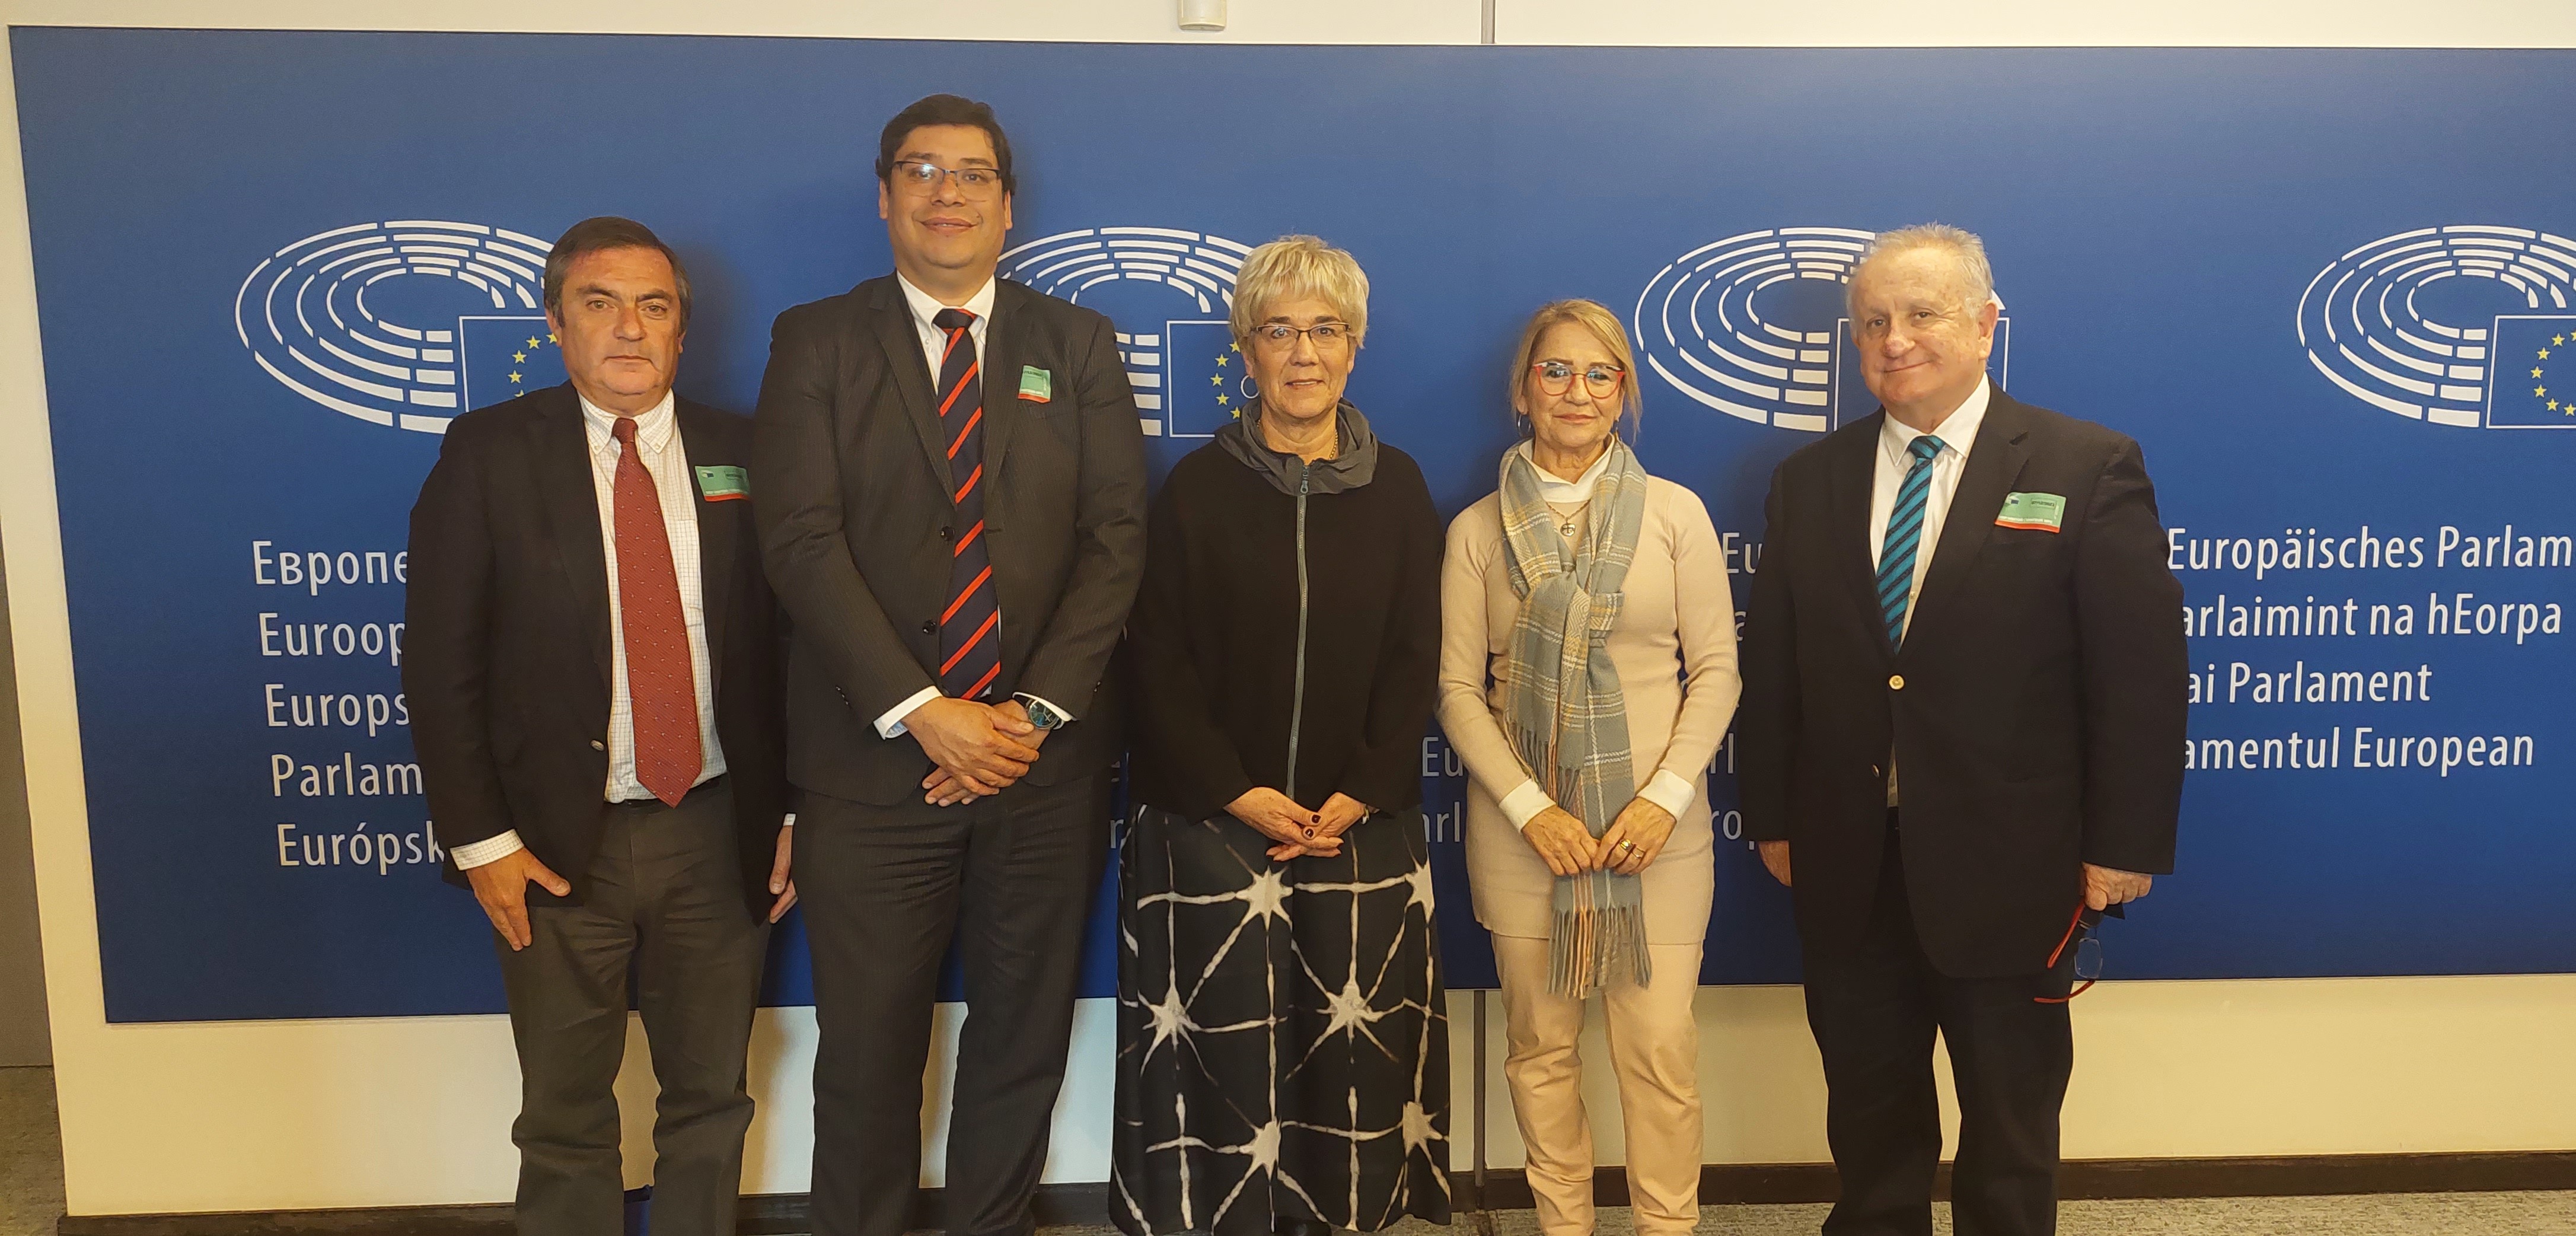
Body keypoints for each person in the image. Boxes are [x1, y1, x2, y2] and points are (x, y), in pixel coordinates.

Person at [1737, 224, 2188, 1236]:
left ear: (1987, 326)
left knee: (2011, 1133)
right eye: (1873, 323)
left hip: (2016, 869)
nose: (1895, 339)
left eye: (1922, 315)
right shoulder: (1808, 482)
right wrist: (1772, 816)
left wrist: (2123, 845)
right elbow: (1774, 668)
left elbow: (2141, 679)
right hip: (1851, 864)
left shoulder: (2086, 463)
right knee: (1869, 1126)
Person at [752, 94, 1148, 1236]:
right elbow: (799, 541)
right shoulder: (817, 340)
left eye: (972, 173)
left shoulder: (1077, 346)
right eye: (920, 171)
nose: (947, 193)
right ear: (885, 197)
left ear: (1008, 206)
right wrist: (925, 711)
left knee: (1022, 1037)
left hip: (1039, 769)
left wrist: (1020, 717)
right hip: (871, 774)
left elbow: (1116, 539)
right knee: (867, 1051)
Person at [405, 216, 794, 1236]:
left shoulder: (748, 454)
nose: (629, 328)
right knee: (567, 1115)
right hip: (551, 843)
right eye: (600, 303)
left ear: (681, 329)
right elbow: (439, 667)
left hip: (718, 833)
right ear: (555, 322)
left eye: (654, 307)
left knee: (713, 1100)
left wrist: (793, 812)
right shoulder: (489, 454)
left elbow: (794, 652)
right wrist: (483, 841)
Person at [1112, 235, 1450, 1236]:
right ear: (1245, 350)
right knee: (1224, 1052)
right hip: (1212, 822)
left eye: (1326, 330)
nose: (1304, 353)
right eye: (1279, 331)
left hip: (1359, 823)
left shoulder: (1399, 487)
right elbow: (1156, 662)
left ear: (1354, 348)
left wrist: (1370, 782)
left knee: (1351, 1059)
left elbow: (1417, 649)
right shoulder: (1194, 490)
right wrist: (1234, 789)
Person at [1435, 299, 1740, 1236]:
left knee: (1658, 1052)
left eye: (1599, 373)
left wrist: (1663, 800)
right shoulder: (1478, 530)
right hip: (1528, 838)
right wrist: (1533, 810)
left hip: (1659, 838)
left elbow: (1718, 671)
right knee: (1541, 1051)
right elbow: (1456, 691)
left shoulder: (1676, 515)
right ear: (1524, 390)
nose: (1577, 391)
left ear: (1625, 393)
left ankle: (1666, 1227)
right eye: (1556, 371)